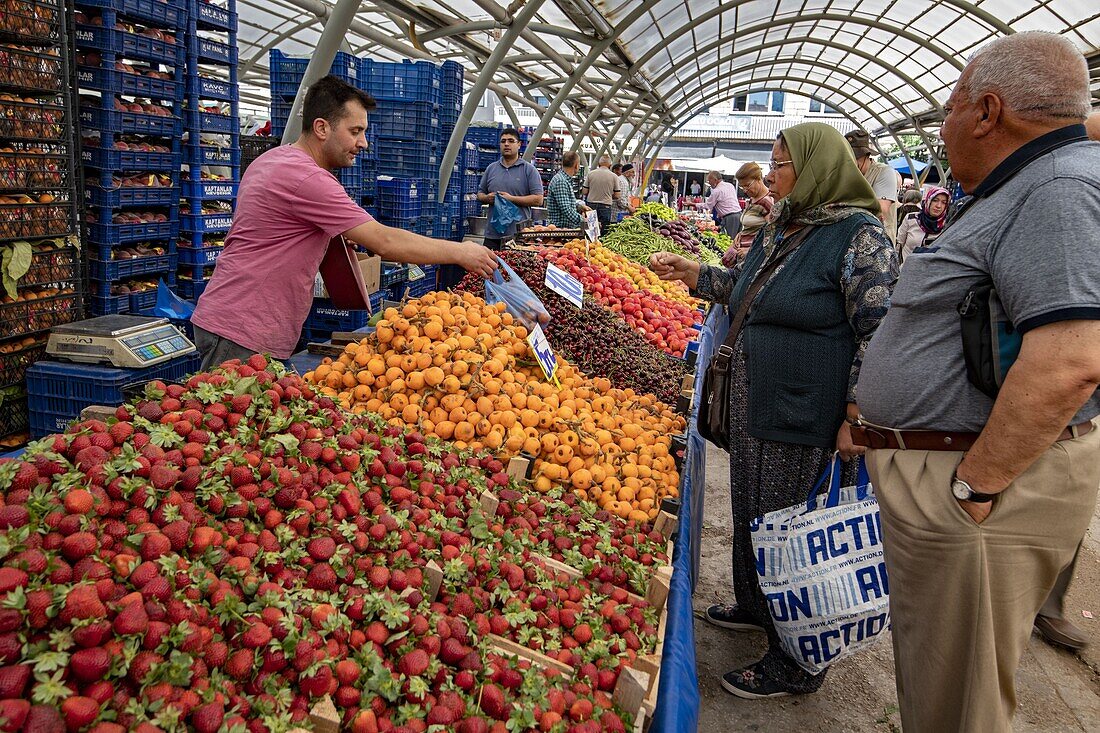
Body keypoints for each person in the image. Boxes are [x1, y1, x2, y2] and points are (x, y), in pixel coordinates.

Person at [854, 32, 1100, 732]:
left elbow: (1073, 357)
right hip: (965, 474)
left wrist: (973, 488)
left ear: (988, 111)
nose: (942, 130)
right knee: (939, 676)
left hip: (978, 490)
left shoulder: (1058, 187)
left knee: (957, 702)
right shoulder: (1046, 171)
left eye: (948, 110)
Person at [650, 122, 898, 699]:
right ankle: (758, 606)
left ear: (814, 167)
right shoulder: (787, 223)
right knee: (754, 510)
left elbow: (879, 331)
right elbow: (745, 287)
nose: (772, 173)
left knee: (790, 524)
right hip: (754, 402)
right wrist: (697, 276)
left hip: (805, 412)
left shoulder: (860, 236)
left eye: (781, 163)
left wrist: (856, 415)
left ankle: (796, 660)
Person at [191, 76, 497, 370]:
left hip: (236, 320)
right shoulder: (308, 177)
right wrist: (460, 252)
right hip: (242, 332)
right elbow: (383, 241)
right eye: (355, 131)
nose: (363, 142)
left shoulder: (273, 160)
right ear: (322, 127)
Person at [1030, 107, 1100, 653]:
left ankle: (1047, 604)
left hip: (1081, 384)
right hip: (1061, 375)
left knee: (1068, 487)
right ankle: (1034, 601)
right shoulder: (1066, 192)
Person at [477, 127, 544, 250]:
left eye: (511, 141)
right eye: (503, 141)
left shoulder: (528, 170)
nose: (506, 144)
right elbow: (480, 194)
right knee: (489, 268)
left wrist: (511, 199)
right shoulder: (491, 169)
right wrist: (487, 198)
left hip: (518, 236)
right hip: (493, 235)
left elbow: (538, 199)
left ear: (519, 144)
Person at [845, 130, 899, 244]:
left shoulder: (884, 172)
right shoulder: (846, 174)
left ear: (867, 155)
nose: (851, 162)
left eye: (855, 157)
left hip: (879, 243)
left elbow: (881, 210)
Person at [721, 161, 773, 266]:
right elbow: (752, 227)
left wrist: (751, 250)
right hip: (743, 259)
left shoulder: (767, 201)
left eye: (747, 185)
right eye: (741, 187)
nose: (745, 190)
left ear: (759, 179)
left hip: (753, 261)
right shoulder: (752, 200)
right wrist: (740, 235)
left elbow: (772, 234)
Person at [895, 186, 949, 263]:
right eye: (935, 200)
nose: (938, 206)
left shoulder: (947, 226)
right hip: (905, 269)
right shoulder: (911, 218)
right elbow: (899, 244)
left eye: (944, 202)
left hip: (928, 272)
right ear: (928, 200)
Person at [546, 151, 587, 229]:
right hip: (559, 230)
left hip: (564, 229)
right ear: (576, 165)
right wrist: (584, 221)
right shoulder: (561, 181)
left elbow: (565, 203)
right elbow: (566, 209)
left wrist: (579, 207)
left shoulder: (565, 180)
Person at [582, 154, 620, 229]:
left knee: (591, 229)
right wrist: (608, 194)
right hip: (605, 206)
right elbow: (617, 195)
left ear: (599, 164)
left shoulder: (591, 174)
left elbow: (584, 191)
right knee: (604, 230)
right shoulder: (614, 176)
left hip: (590, 205)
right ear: (610, 165)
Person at [704, 171, 742, 238]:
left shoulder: (717, 191)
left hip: (730, 218)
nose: (709, 183)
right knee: (737, 240)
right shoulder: (730, 185)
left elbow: (708, 205)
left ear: (715, 180)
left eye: (709, 180)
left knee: (728, 239)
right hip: (739, 215)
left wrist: (693, 204)